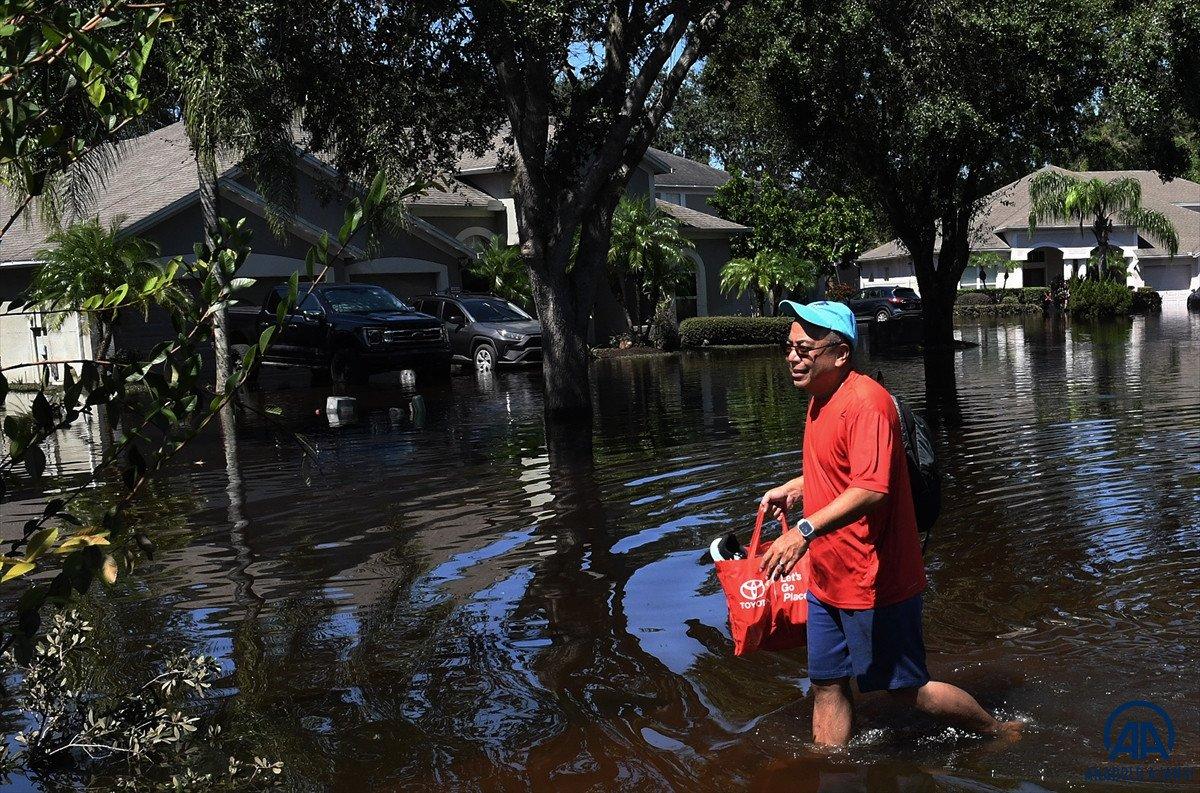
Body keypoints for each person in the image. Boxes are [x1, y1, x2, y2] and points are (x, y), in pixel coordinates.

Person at [758, 300, 1023, 747]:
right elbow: (840, 470)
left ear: (840, 354)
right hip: (827, 578)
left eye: (804, 349)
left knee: (906, 690)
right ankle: (830, 769)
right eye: (789, 347)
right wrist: (796, 487)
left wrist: (803, 530)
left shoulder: (866, 404)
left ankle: (997, 730)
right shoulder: (820, 400)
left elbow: (871, 489)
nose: (792, 358)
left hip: (874, 581)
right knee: (827, 683)